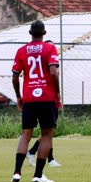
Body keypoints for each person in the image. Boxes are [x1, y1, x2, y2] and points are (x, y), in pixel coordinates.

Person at [10, 20, 60, 182]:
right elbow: (53, 73)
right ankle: (38, 175)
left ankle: (17, 173)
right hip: (46, 97)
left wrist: (18, 96)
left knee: (26, 134)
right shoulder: (49, 48)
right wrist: (57, 93)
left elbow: (15, 77)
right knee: (46, 134)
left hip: (29, 98)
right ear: (44, 34)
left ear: (30, 33)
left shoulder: (21, 51)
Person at [26, 40, 62, 168]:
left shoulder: (51, 62)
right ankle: (43, 156)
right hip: (47, 100)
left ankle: (35, 153)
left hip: (50, 99)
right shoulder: (45, 64)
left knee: (50, 130)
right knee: (48, 130)